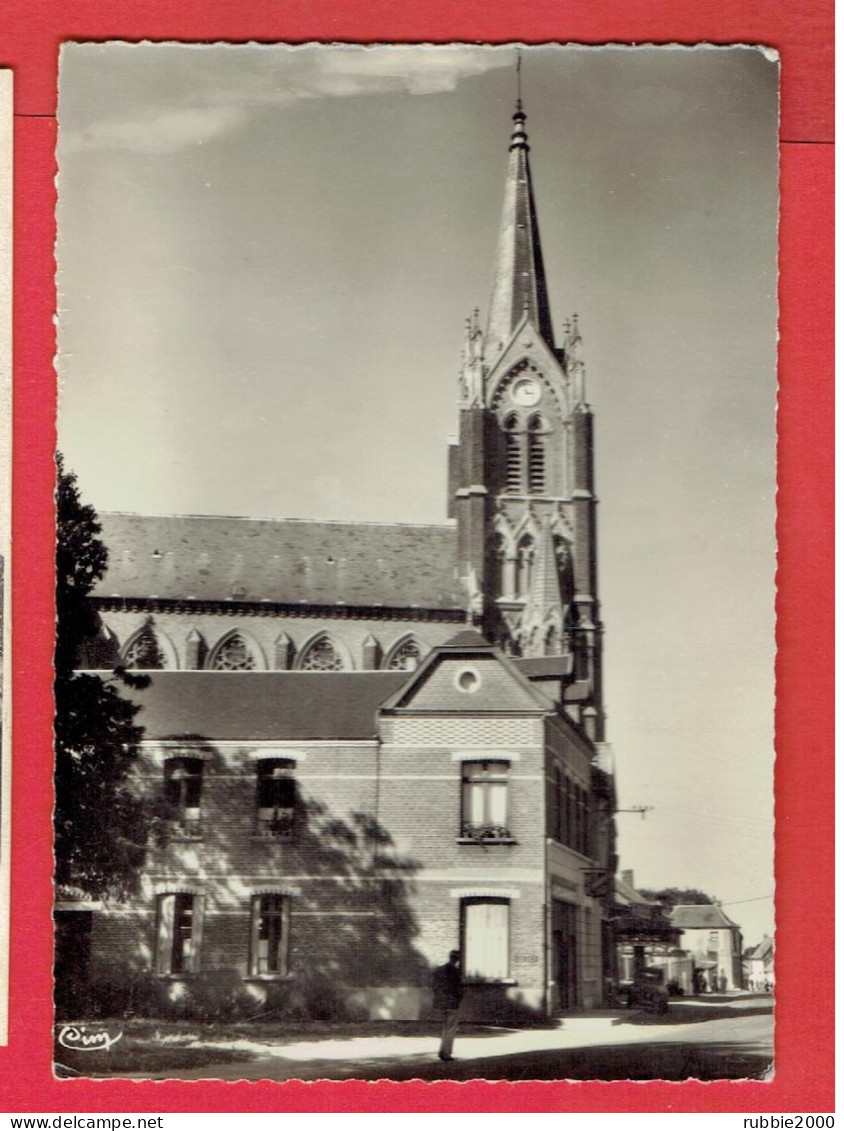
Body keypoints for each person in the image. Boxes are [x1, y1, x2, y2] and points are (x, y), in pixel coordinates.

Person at [432, 949, 463, 1061]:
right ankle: (446, 1053)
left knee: (445, 1028)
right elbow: (459, 989)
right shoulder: (456, 972)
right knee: (451, 1029)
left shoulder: (439, 970)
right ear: (457, 959)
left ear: (449, 957)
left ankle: (442, 1051)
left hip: (441, 1003)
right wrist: (458, 999)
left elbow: (435, 987)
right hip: (452, 1004)